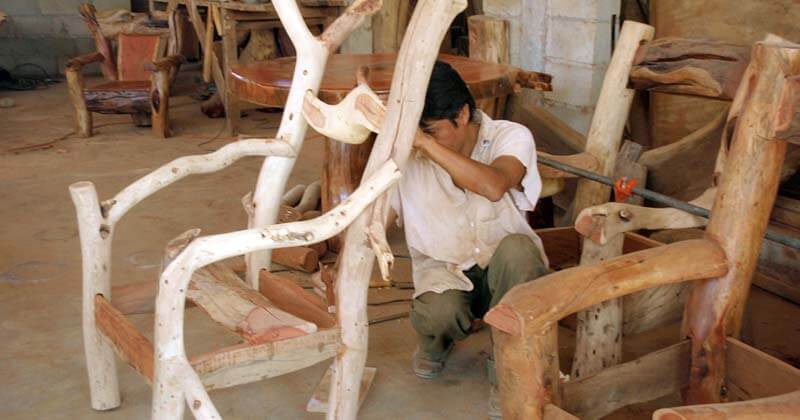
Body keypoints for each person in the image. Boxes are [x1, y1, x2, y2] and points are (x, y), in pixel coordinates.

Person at [388, 61, 550, 417]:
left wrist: (426, 146)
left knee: (520, 253)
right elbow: (381, 216)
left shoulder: (510, 135)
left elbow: (493, 185)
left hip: (501, 270)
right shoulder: (407, 151)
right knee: (439, 313)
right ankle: (434, 342)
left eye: (432, 131)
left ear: (462, 114)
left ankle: (506, 367)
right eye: (419, 133)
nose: (422, 141)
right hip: (446, 269)